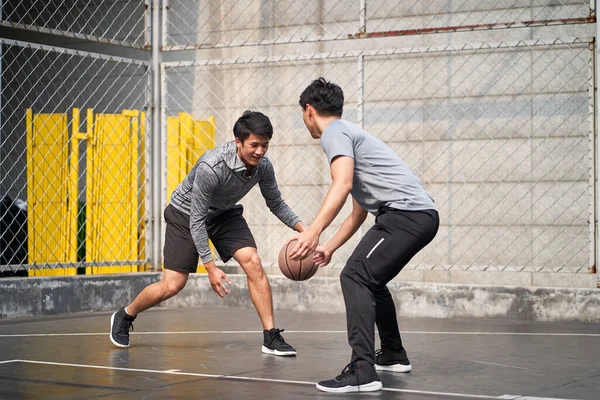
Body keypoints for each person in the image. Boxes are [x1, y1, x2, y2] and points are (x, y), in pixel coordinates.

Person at [110, 110, 306, 357]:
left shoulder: (263, 167)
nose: (260, 151)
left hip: (224, 213)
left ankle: (271, 336)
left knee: (253, 261)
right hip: (186, 214)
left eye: (264, 145)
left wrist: (304, 230)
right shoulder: (211, 166)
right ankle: (126, 314)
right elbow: (197, 219)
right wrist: (210, 267)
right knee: (173, 285)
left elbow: (275, 203)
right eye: (254, 145)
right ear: (238, 141)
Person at [290, 78, 439, 393]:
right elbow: (358, 211)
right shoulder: (352, 135)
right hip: (417, 215)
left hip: (405, 215)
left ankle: (362, 370)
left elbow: (341, 185)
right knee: (370, 280)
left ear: (308, 110)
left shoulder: (334, 133)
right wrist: (329, 246)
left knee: (355, 277)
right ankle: (394, 355)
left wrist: (313, 232)